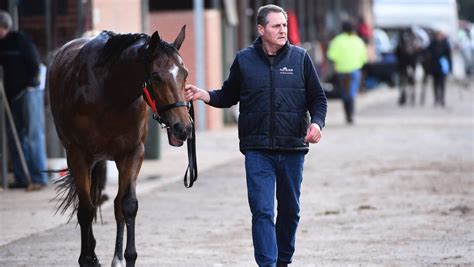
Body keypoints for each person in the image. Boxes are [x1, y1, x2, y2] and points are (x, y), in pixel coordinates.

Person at [186, 4, 327, 266]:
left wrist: (317, 124)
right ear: (261, 29)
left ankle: (283, 260)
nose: (282, 30)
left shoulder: (300, 58)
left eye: (284, 25)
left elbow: (318, 99)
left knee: (290, 211)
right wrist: (205, 95)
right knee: (262, 211)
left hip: (292, 148)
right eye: (276, 26)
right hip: (257, 150)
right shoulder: (244, 60)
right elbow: (229, 95)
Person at [0, 10, 48, 191]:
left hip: (29, 93)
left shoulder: (20, 40)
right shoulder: (1, 45)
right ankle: (22, 177)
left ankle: (38, 178)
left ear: (3, 27)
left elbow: (34, 63)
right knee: (16, 137)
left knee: (34, 135)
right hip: (11, 97)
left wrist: (30, 84)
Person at [327, 20, 367, 124]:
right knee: (352, 93)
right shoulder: (358, 41)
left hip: (342, 71)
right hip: (354, 70)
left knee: (345, 93)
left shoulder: (337, 40)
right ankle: (351, 114)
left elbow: (331, 55)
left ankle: (347, 114)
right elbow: (364, 58)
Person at [428, 30, 452, 107]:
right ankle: (436, 98)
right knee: (435, 84)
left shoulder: (446, 44)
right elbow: (428, 54)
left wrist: (450, 68)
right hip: (434, 67)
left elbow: (449, 57)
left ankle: (442, 99)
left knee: (442, 84)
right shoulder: (432, 44)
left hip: (443, 67)